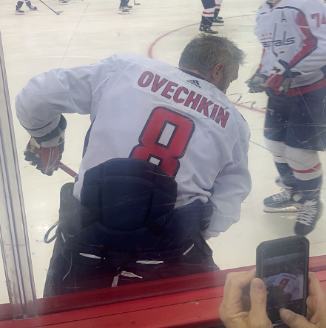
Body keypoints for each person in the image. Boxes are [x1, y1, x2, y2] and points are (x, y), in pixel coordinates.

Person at [15, 34, 250, 295]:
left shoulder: (125, 68)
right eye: (231, 78)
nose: (228, 86)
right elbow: (228, 203)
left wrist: (48, 139)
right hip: (171, 255)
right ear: (217, 71)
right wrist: (190, 229)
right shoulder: (234, 122)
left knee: (66, 316)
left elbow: (35, 96)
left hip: (85, 240)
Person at [247, 0, 326, 235]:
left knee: (299, 153)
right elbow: (269, 49)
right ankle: (294, 191)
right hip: (279, 91)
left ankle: (311, 202)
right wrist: (262, 72)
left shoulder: (306, 3)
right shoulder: (264, 10)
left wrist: (286, 70)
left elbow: (319, 45)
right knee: (274, 144)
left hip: (310, 92)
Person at [219, 269, 326, 328]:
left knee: (267, 302)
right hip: (285, 294)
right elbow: (298, 292)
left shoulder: (281, 275)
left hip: (277, 291)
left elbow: (266, 283)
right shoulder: (298, 279)